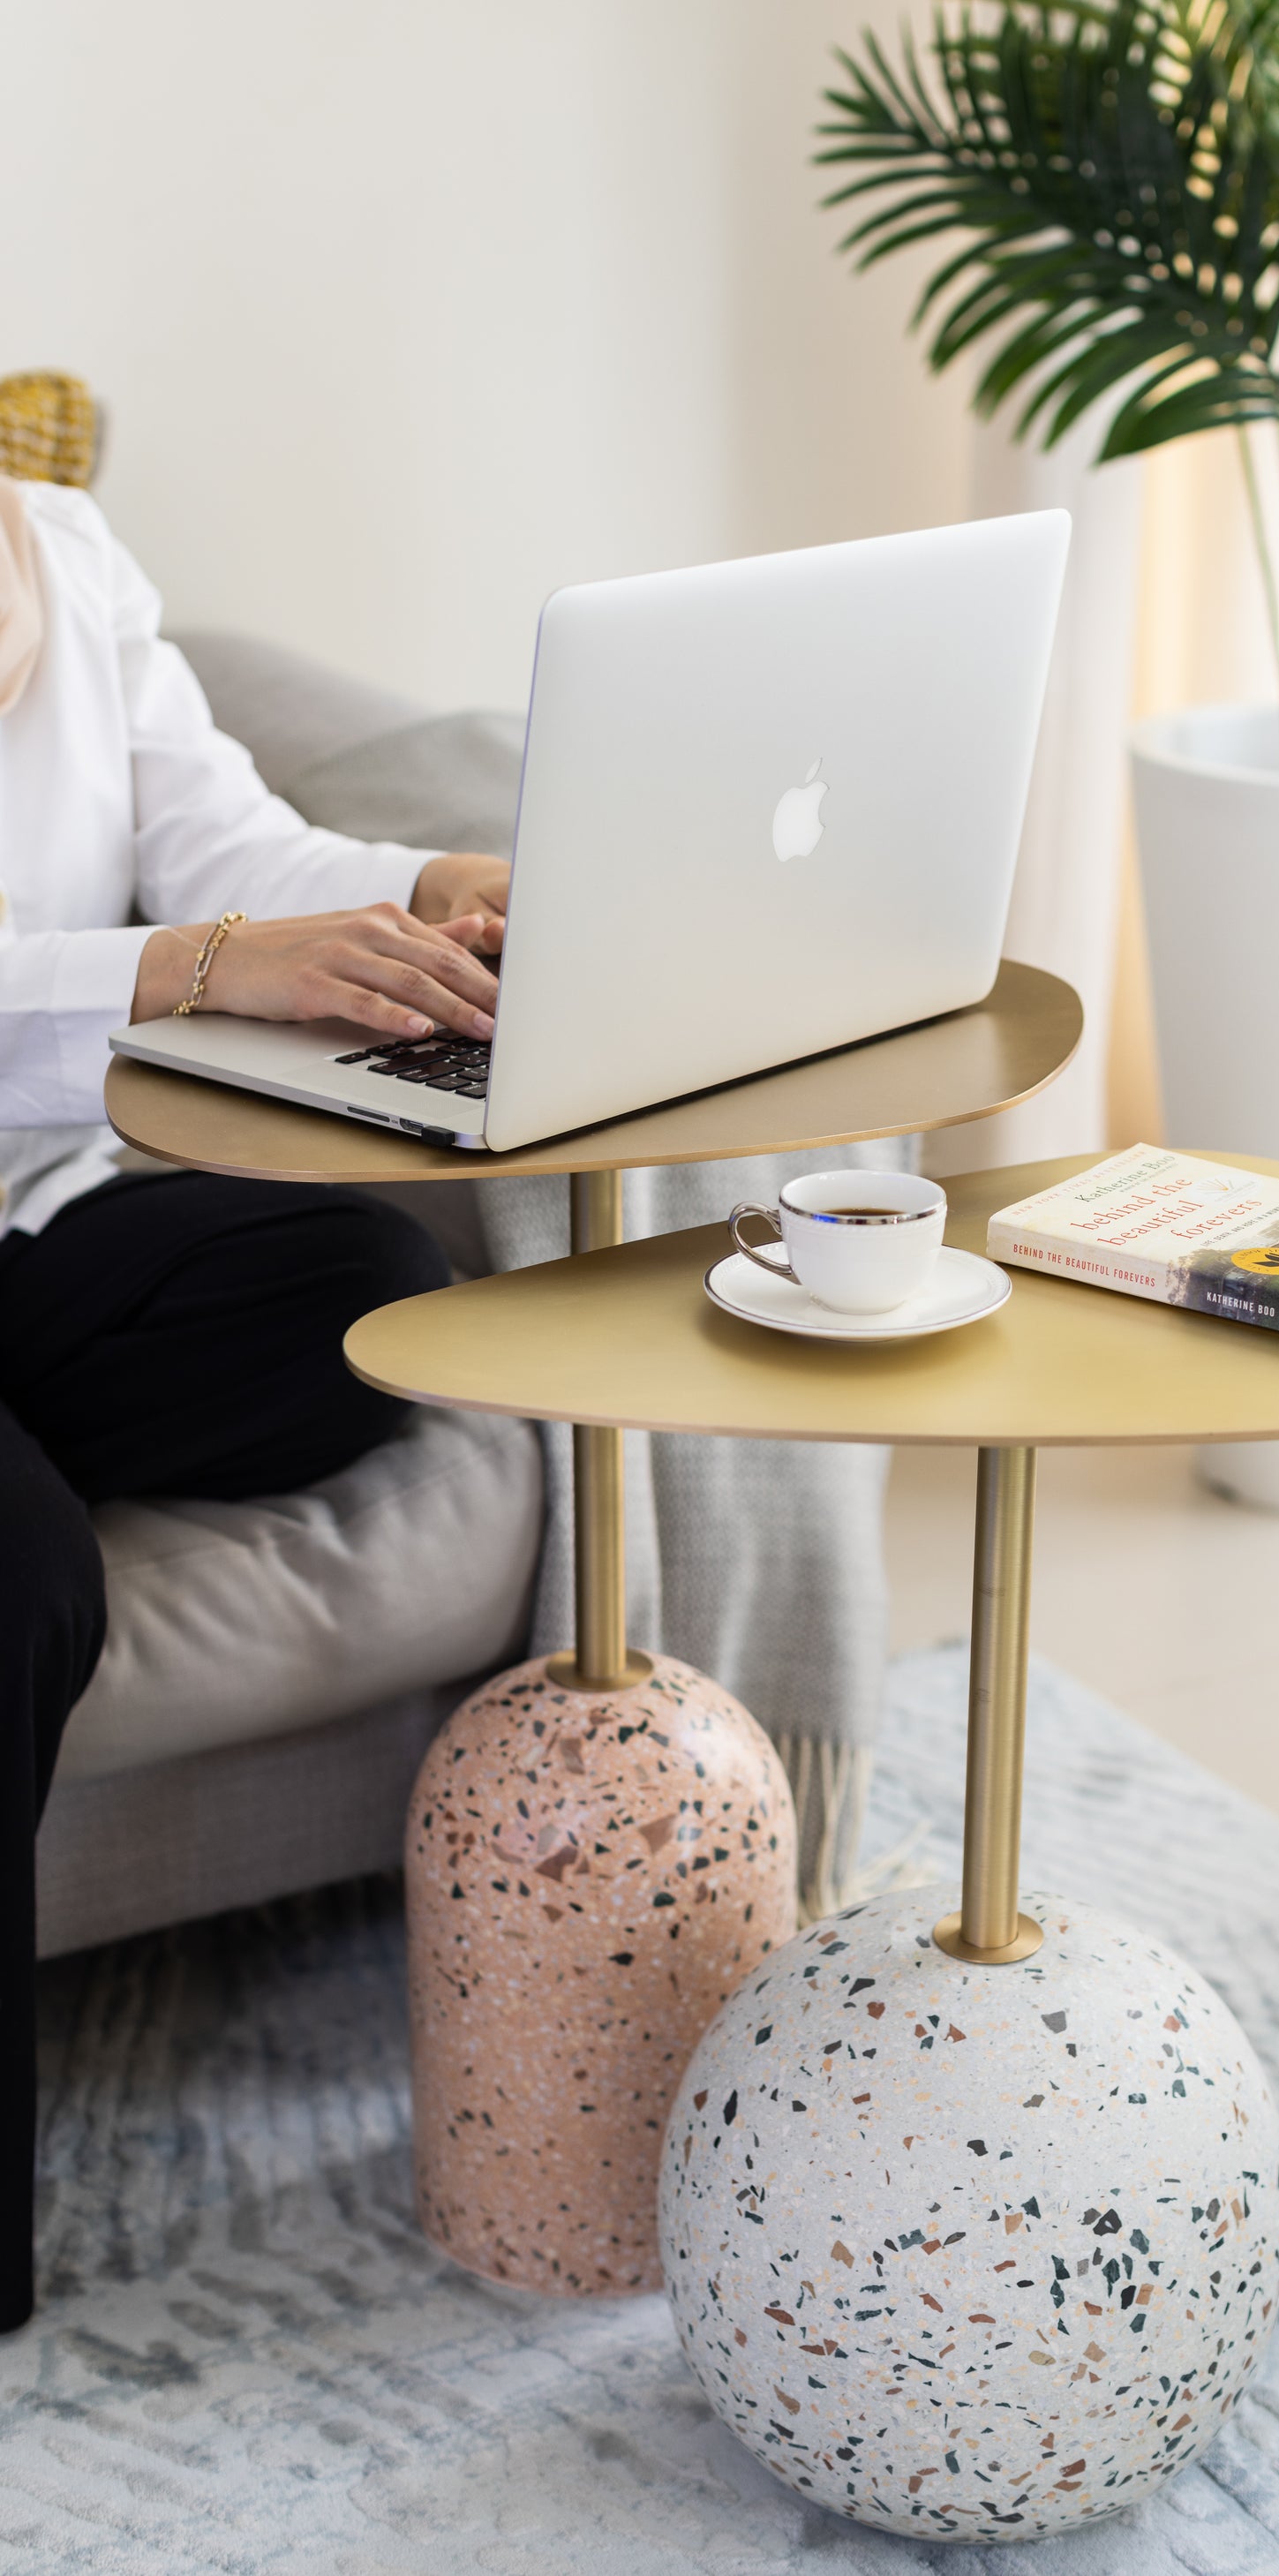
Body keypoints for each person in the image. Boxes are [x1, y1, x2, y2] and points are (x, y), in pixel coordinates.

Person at [0, 470, 509, 2331]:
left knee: (362, 1297)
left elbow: (227, 845)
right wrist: (192, 972)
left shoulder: (63, 544)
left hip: (30, 1219)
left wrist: (409, 894)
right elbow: (197, 948)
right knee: (27, 1583)